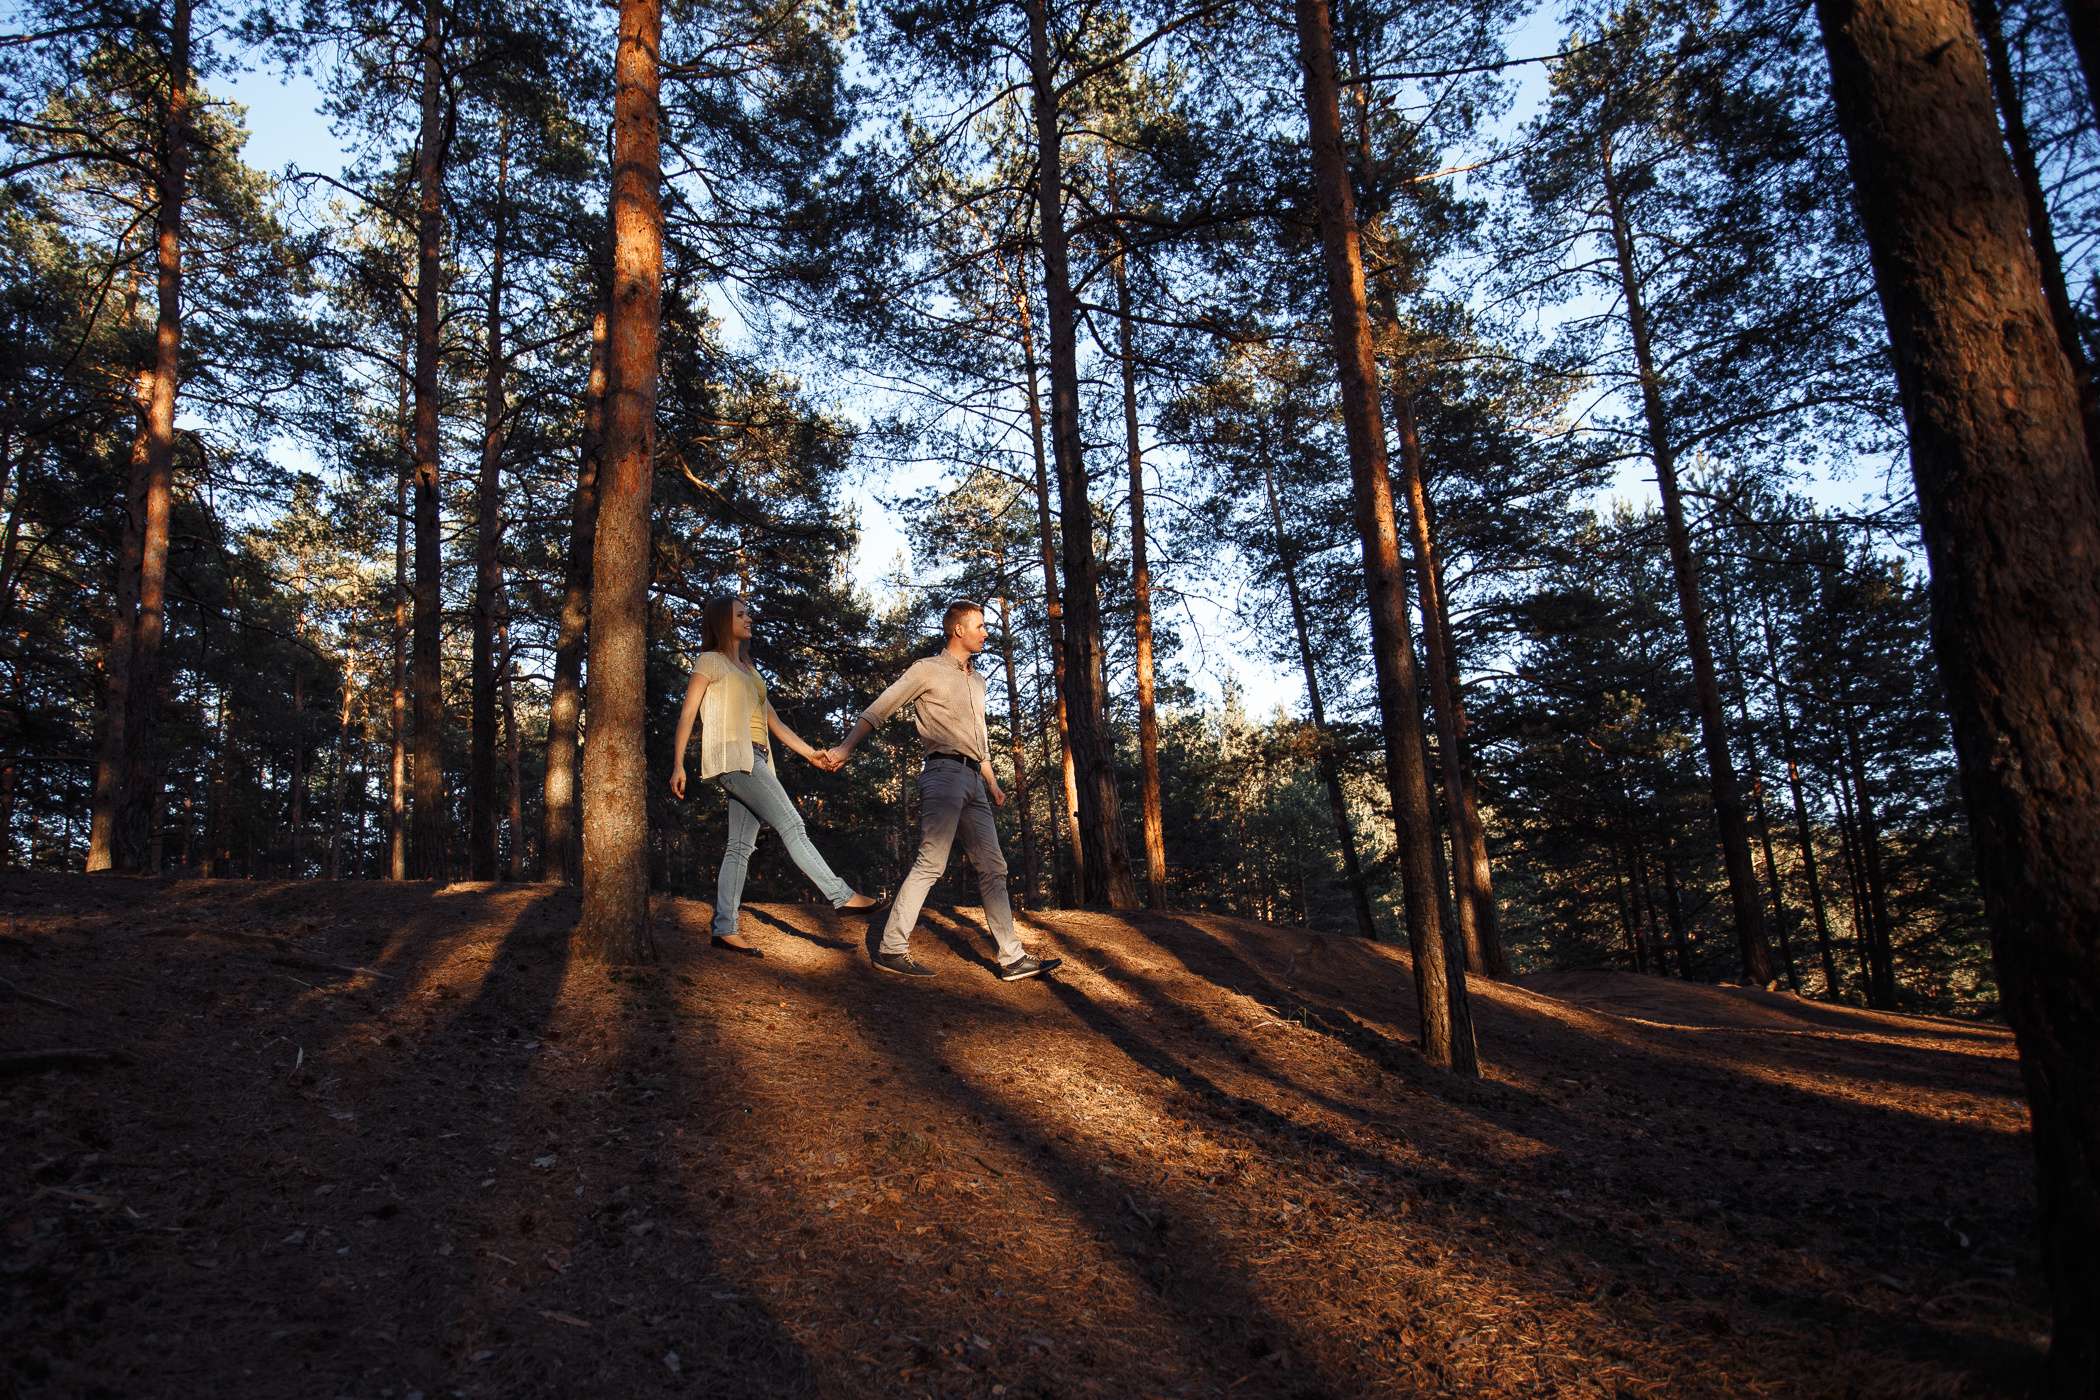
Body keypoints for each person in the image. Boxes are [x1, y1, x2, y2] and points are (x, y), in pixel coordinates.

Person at [824, 601, 1062, 982]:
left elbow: (978, 738)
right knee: (932, 863)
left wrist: (992, 782)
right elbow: (879, 708)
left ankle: (1012, 958)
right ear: (958, 631)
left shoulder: (978, 681)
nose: (987, 632)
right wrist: (846, 748)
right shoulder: (926, 670)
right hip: (943, 774)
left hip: (973, 781)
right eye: (981, 626)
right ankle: (891, 948)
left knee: (994, 867)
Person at [669, 596, 879, 957]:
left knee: (740, 847)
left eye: (747, 612)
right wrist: (678, 763)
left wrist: (812, 754)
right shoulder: (710, 662)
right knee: (792, 826)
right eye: (740, 614)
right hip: (736, 759)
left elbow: (775, 723)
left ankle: (724, 929)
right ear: (723, 622)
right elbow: (688, 713)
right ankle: (841, 896)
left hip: (757, 758)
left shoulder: (749, 672)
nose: (749, 618)